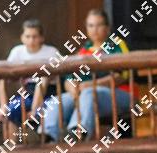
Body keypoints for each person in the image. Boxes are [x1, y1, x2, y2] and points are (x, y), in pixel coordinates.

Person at [43, 9, 133, 141]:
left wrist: (90, 85)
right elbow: (69, 78)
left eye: (99, 25)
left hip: (121, 94)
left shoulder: (116, 44)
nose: (94, 29)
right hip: (85, 96)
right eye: (91, 25)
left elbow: (123, 75)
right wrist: (72, 88)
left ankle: (78, 134)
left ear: (107, 28)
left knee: (88, 93)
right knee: (57, 100)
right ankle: (49, 136)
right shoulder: (83, 51)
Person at [0, 20, 59, 136]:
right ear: (22, 38)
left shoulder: (51, 52)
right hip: (27, 93)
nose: (31, 40)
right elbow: (3, 77)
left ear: (41, 38)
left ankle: (36, 113)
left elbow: (51, 78)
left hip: (49, 94)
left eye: (35, 37)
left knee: (43, 78)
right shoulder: (17, 52)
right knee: (9, 111)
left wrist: (35, 108)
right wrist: (3, 106)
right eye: (28, 36)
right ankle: (11, 147)